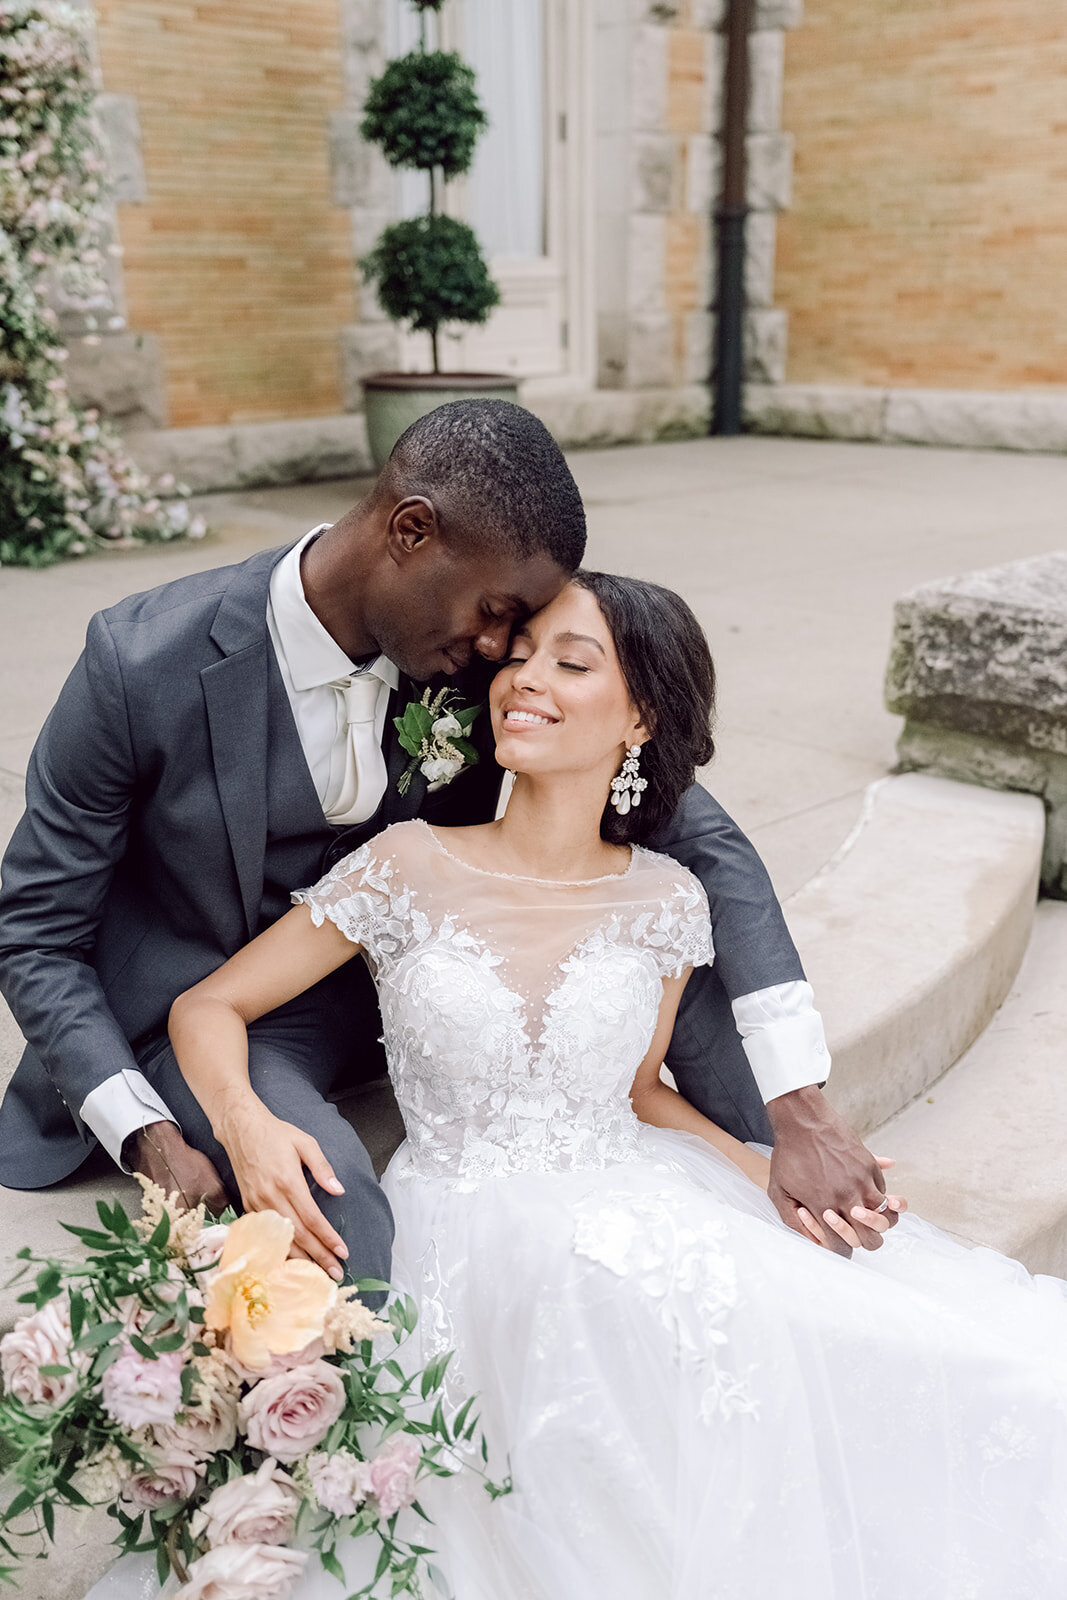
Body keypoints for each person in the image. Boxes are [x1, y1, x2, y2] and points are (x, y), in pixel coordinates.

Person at [138, 571, 1066, 1599]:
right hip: (469, 1225)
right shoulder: (403, 865)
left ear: (639, 717)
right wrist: (247, 1124)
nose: (523, 680)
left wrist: (755, 1166)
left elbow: (632, 1088)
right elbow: (204, 1008)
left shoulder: (666, 899)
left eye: (570, 663)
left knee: (979, 1368)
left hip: (649, 1198)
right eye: (520, 655)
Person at [0, 399, 886, 1292]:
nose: (505, 652)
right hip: (206, 1006)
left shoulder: (463, 657)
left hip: (418, 978)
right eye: (498, 613)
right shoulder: (140, 662)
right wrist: (148, 1131)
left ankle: (818, 1230)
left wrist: (797, 1099)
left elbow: (702, 836)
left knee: (654, 951)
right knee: (334, 1215)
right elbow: (34, 929)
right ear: (412, 532)